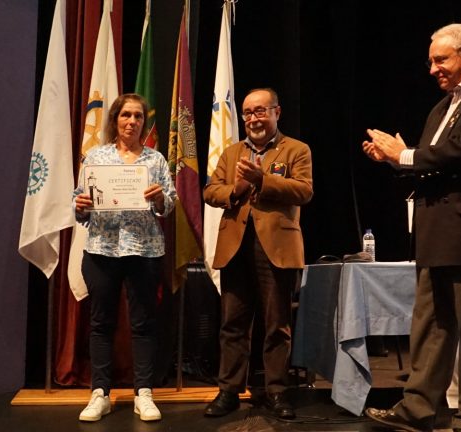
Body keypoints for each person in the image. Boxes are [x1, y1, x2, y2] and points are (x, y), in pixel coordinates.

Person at [362, 23, 461, 432]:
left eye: (441, 59)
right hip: (435, 231)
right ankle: (421, 409)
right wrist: (394, 159)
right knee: (429, 327)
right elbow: (430, 163)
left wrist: (406, 155)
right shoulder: (441, 107)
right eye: (431, 62)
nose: (433, 69)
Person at [202, 88, 313, 420]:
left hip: (276, 248)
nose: (253, 118)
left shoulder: (296, 149)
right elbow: (210, 191)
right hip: (235, 245)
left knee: (277, 324)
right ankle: (229, 391)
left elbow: (304, 190)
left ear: (277, 112)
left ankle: (277, 391)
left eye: (260, 111)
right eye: (248, 113)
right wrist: (235, 190)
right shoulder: (232, 152)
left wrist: (262, 180)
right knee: (232, 322)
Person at [73, 93, 176, 422]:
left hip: (144, 250)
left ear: (144, 122)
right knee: (101, 323)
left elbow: (169, 204)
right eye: (126, 115)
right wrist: (80, 206)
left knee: (143, 323)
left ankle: (143, 393)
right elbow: (79, 204)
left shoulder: (155, 160)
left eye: (138, 116)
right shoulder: (96, 157)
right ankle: (99, 394)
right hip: (102, 249)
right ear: (115, 119)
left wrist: (159, 200)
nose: (132, 121)